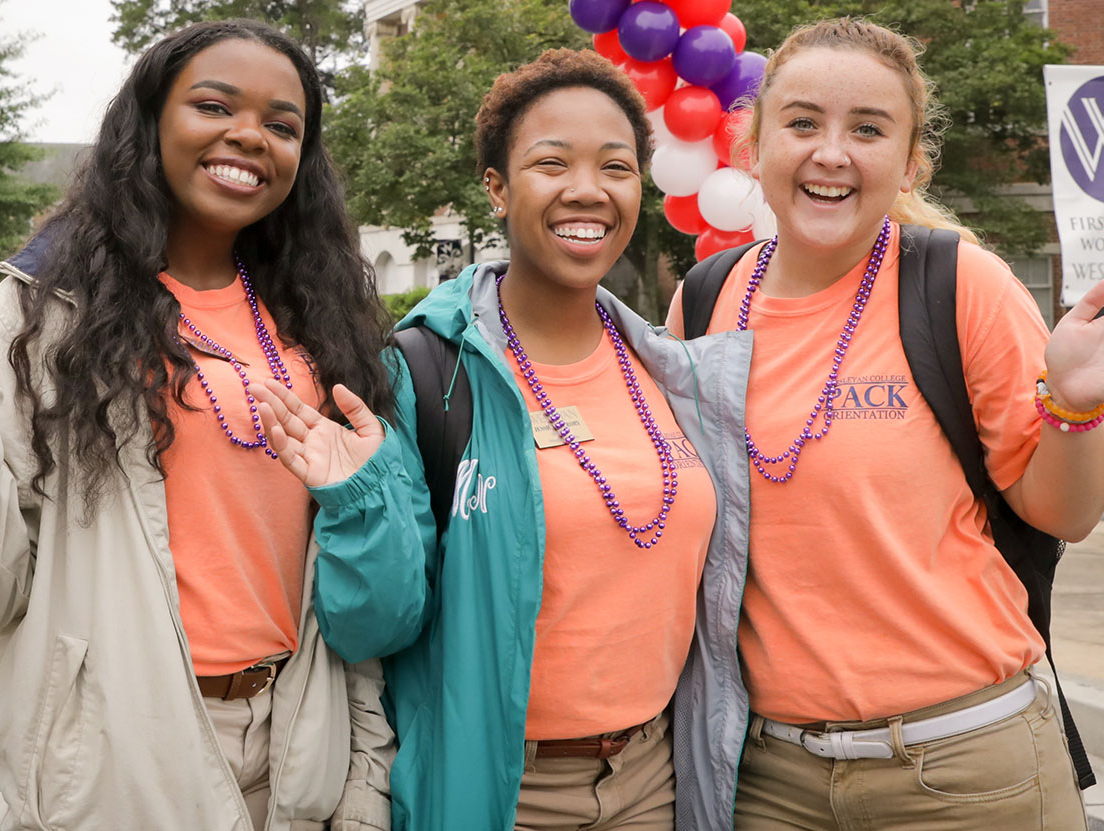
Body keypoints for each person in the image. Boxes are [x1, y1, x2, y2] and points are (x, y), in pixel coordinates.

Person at [0, 20, 396, 831]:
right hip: (114, 763)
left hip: (299, 747)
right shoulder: (46, 316)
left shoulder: (320, 322)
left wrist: (364, 780)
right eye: (214, 105)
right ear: (150, 121)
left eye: (282, 124)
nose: (249, 135)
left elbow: (352, 585)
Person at [666, 19, 1104, 831]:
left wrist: (1071, 403)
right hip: (765, 776)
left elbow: (1066, 513)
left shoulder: (961, 284)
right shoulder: (705, 301)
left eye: (869, 129)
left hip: (963, 769)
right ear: (753, 143)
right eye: (803, 122)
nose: (831, 152)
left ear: (911, 160)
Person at [251, 49, 752, 831]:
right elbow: (370, 626)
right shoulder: (423, 371)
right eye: (552, 163)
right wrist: (359, 499)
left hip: (657, 780)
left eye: (615, 167)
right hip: (503, 791)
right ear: (497, 187)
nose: (587, 189)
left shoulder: (674, 370)